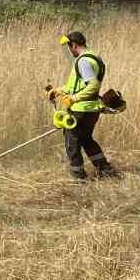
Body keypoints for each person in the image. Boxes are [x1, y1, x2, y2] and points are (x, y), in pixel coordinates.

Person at [46, 31, 119, 182]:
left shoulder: (83, 61)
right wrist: (58, 91)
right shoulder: (93, 57)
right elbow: (77, 85)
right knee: (86, 139)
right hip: (92, 109)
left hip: (81, 109)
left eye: (69, 47)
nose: (69, 51)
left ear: (74, 45)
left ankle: (78, 177)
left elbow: (92, 86)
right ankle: (105, 170)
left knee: (71, 141)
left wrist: (73, 99)